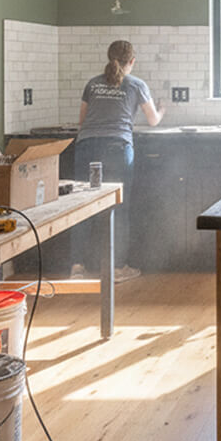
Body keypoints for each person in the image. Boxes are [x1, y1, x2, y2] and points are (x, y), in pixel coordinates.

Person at [73, 40, 164, 281]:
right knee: (118, 208)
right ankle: (116, 268)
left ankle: (77, 268)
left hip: (85, 147)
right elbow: (153, 120)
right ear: (132, 62)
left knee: (79, 208)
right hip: (116, 148)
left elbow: (82, 121)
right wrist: (163, 110)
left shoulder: (92, 84)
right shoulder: (136, 84)